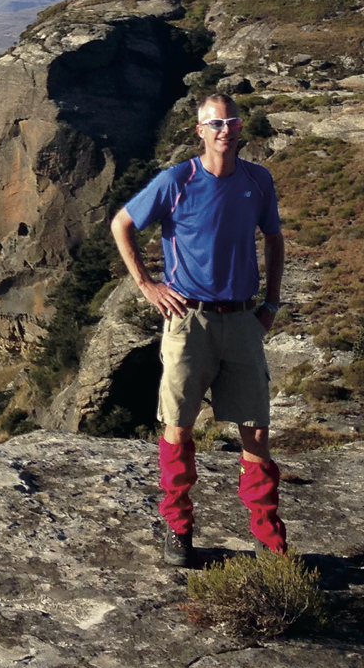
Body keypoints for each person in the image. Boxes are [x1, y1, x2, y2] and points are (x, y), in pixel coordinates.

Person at [109, 92, 286, 568]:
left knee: (256, 431)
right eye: (216, 124)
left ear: (241, 127)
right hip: (189, 320)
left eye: (232, 122)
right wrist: (147, 285)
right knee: (178, 426)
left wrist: (270, 304)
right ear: (200, 131)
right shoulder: (177, 180)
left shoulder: (258, 180)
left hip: (242, 319)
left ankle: (268, 538)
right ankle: (178, 528)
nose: (225, 130)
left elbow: (274, 239)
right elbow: (122, 224)